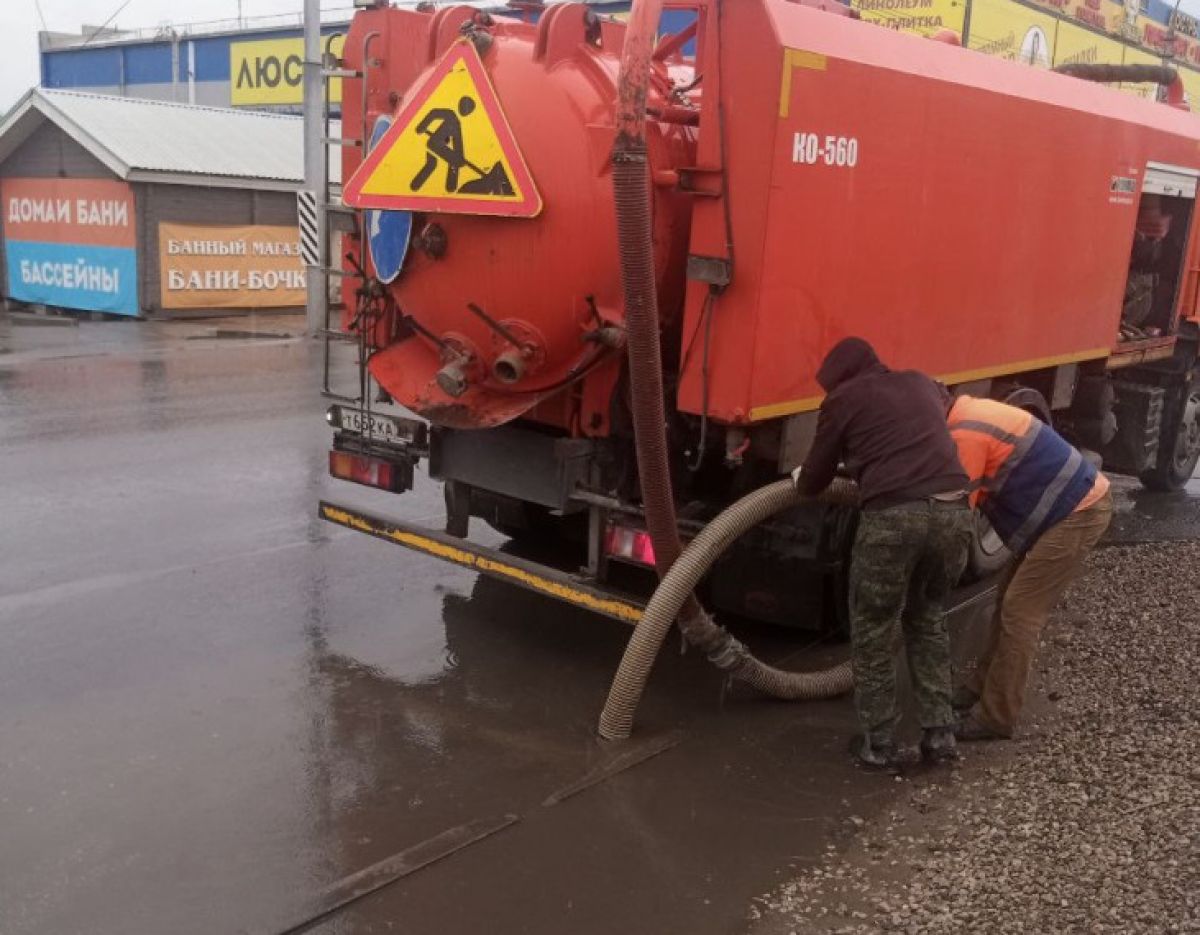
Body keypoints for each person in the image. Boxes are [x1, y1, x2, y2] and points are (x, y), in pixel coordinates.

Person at [794, 338, 973, 769]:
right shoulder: (919, 382)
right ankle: (941, 734)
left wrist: (809, 476)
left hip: (894, 518)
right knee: (927, 618)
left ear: (840, 379)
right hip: (954, 512)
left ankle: (881, 744)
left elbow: (813, 481)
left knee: (874, 627)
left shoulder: (842, 400)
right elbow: (913, 429)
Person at [947, 395, 1113, 741]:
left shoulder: (965, 434)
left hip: (1078, 513)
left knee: (1020, 611)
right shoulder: (968, 411)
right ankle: (978, 689)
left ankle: (997, 716)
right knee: (1008, 600)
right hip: (1070, 508)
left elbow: (956, 517)